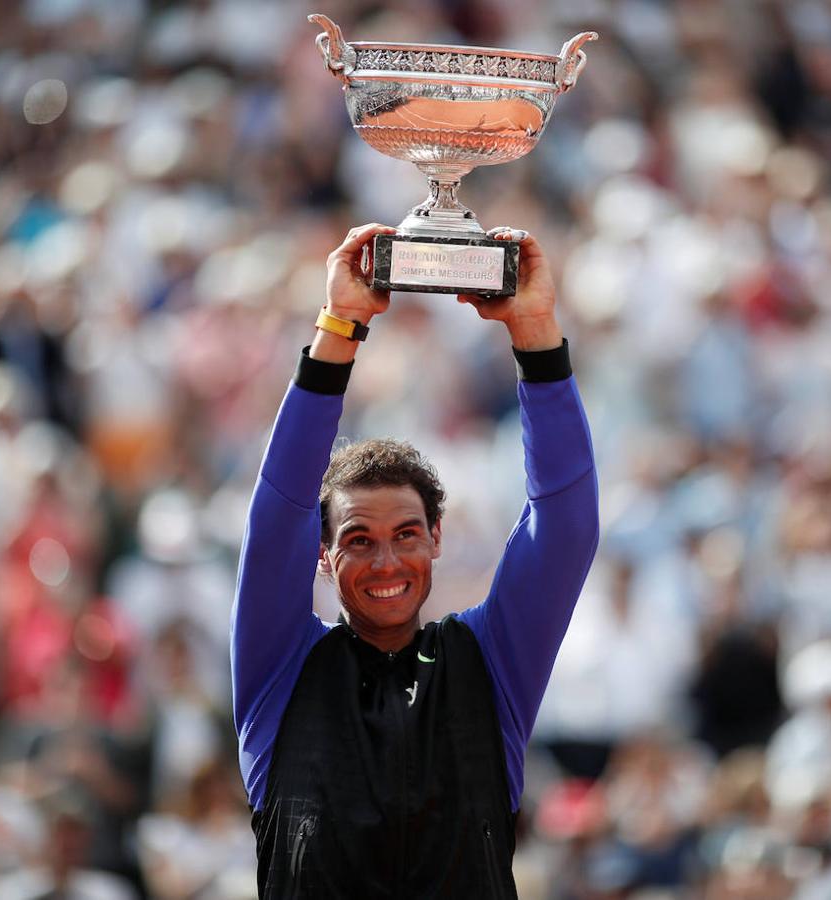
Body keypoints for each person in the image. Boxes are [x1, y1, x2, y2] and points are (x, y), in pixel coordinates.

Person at [232, 223, 599, 897]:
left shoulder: (491, 665)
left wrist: (536, 329)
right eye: (358, 540)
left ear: (436, 537)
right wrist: (340, 326)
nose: (385, 562)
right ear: (320, 554)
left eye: (406, 534)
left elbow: (567, 529)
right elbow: (277, 510)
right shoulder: (277, 672)